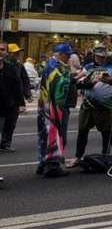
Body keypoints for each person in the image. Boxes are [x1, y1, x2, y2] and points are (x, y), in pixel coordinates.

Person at [68, 47, 112, 167]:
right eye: (99, 56)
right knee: (82, 131)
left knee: (106, 133)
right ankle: (78, 157)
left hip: (105, 105)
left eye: (104, 56)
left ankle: (105, 156)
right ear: (94, 56)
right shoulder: (88, 67)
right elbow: (79, 81)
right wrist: (80, 81)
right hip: (87, 104)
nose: (101, 59)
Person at [37, 43, 72, 177]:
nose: (69, 58)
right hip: (54, 108)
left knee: (44, 135)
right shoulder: (56, 68)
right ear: (62, 54)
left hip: (45, 105)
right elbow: (60, 92)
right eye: (68, 55)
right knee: (56, 135)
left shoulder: (49, 64)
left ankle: (43, 163)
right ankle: (52, 166)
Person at [0, 42, 28, 153]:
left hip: (10, 103)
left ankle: (6, 143)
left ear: (6, 53)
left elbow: (18, 85)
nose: (0, 52)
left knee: (10, 124)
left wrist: (22, 103)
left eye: (3, 50)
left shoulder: (12, 68)